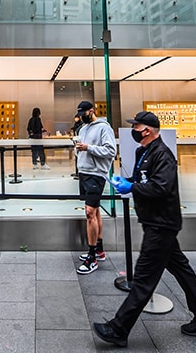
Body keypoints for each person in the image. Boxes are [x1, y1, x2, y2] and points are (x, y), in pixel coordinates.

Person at [92, 111, 196, 347]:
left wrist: (132, 187)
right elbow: (143, 180)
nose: (134, 130)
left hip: (161, 224)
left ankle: (118, 329)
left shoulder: (163, 155)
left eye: (137, 126)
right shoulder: (144, 151)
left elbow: (160, 188)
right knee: (182, 271)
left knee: (144, 278)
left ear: (148, 130)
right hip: (155, 220)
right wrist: (127, 182)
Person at [74, 100, 116, 274]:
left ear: (91, 111)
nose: (81, 116)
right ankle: (99, 249)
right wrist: (78, 147)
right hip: (84, 172)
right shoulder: (82, 129)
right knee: (95, 210)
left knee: (89, 212)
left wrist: (88, 147)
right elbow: (81, 150)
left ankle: (92, 256)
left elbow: (111, 151)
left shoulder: (104, 128)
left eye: (84, 112)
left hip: (96, 174)